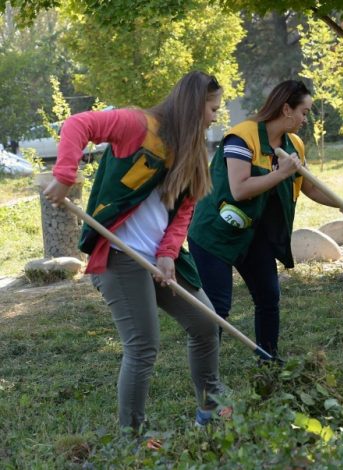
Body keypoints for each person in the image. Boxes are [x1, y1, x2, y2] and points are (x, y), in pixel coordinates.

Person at [43, 71, 230, 434]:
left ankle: (210, 405)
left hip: (159, 257)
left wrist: (167, 254)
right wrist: (66, 175)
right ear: (195, 106)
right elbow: (78, 123)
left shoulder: (190, 152)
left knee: (206, 323)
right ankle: (133, 434)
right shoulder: (137, 125)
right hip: (117, 255)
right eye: (212, 108)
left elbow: (183, 211)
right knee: (143, 345)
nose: (214, 117)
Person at [187, 80, 343, 360]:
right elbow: (239, 189)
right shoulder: (242, 138)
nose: (306, 119)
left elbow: (310, 187)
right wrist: (279, 174)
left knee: (269, 297)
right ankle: (208, 378)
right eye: (304, 112)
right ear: (286, 109)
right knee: (217, 308)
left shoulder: (294, 145)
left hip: (255, 234)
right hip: (214, 233)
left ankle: (268, 362)